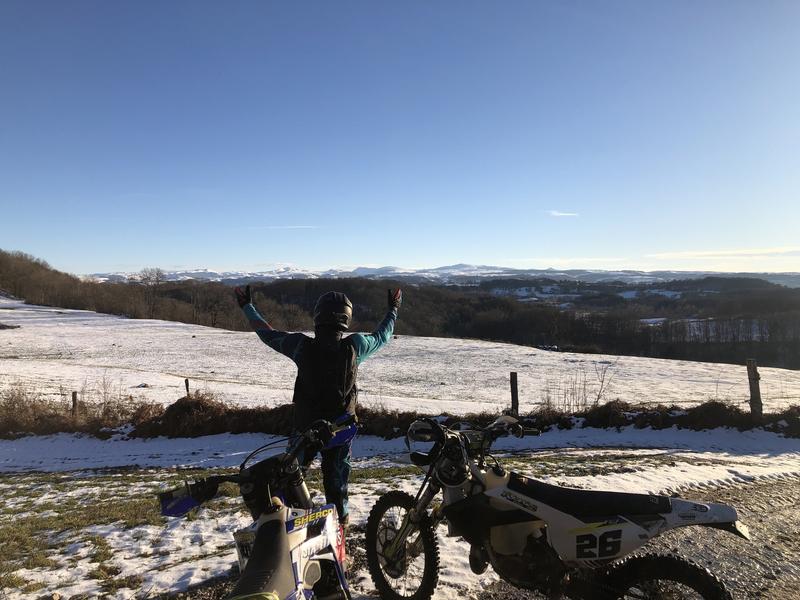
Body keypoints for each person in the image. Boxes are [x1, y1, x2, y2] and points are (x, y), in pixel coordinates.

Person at [234, 285, 402, 526]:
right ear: (347, 318)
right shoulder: (356, 346)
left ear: (317, 315)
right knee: (337, 484)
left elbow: (268, 334)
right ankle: (340, 526)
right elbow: (382, 335)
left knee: (290, 480)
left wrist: (247, 306)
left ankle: (289, 527)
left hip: (305, 428)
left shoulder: (300, 345)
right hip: (341, 430)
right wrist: (393, 309)